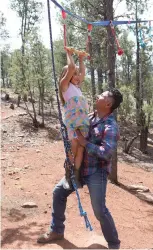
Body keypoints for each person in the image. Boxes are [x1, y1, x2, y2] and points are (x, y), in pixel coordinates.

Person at [37, 88, 123, 249]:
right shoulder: (89, 117)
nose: (97, 95)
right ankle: (57, 231)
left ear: (108, 103)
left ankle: (114, 244)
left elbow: (106, 153)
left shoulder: (110, 126)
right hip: (78, 168)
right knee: (58, 192)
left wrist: (84, 143)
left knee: (99, 210)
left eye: (102, 95)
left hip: (96, 172)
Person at [59, 46, 89, 187]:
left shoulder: (76, 87)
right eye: (74, 74)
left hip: (82, 122)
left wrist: (81, 59)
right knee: (74, 146)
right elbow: (71, 68)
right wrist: (69, 55)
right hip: (73, 123)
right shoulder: (64, 86)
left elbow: (82, 72)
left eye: (77, 74)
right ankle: (68, 174)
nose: (77, 76)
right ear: (67, 75)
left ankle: (76, 175)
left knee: (81, 148)